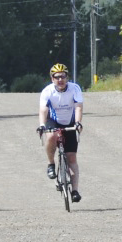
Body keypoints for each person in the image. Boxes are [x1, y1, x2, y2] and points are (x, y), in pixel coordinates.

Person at [39, 62, 86, 202]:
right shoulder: (47, 91)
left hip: (70, 121)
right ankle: (51, 164)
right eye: (57, 77)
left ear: (67, 77)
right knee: (52, 135)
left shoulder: (75, 88)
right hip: (53, 120)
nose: (60, 80)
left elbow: (78, 107)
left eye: (63, 76)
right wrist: (42, 125)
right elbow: (43, 110)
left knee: (71, 158)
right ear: (52, 79)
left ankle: (75, 191)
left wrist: (78, 123)